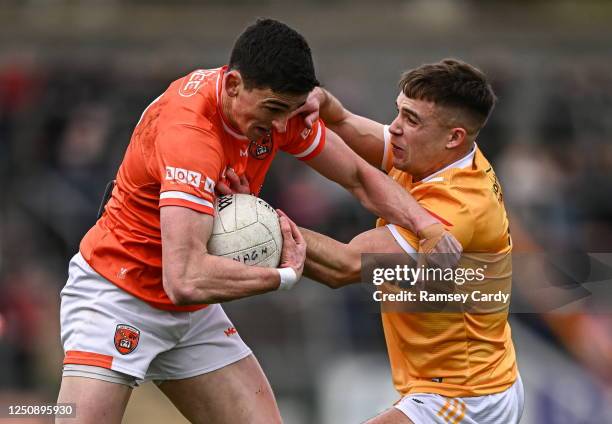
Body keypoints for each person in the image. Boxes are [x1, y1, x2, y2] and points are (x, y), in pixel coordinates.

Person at [56, 19, 460, 423]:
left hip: (193, 313)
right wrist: (281, 276)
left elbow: (358, 177)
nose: (284, 126)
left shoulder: (276, 111)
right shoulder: (190, 135)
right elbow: (183, 278)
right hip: (119, 295)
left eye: (290, 110)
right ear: (233, 85)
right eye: (273, 110)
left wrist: (426, 225)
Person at [295, 59, 523, 423]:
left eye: (412, 120)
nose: (396, 129)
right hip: (464, 379)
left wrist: (260, 223)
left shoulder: (455, 208)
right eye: (399, 111)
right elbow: (349, 125)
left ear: (454, 137)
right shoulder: (433, 154)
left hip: (464, 394)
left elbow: (343, 266)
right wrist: (328, 106)